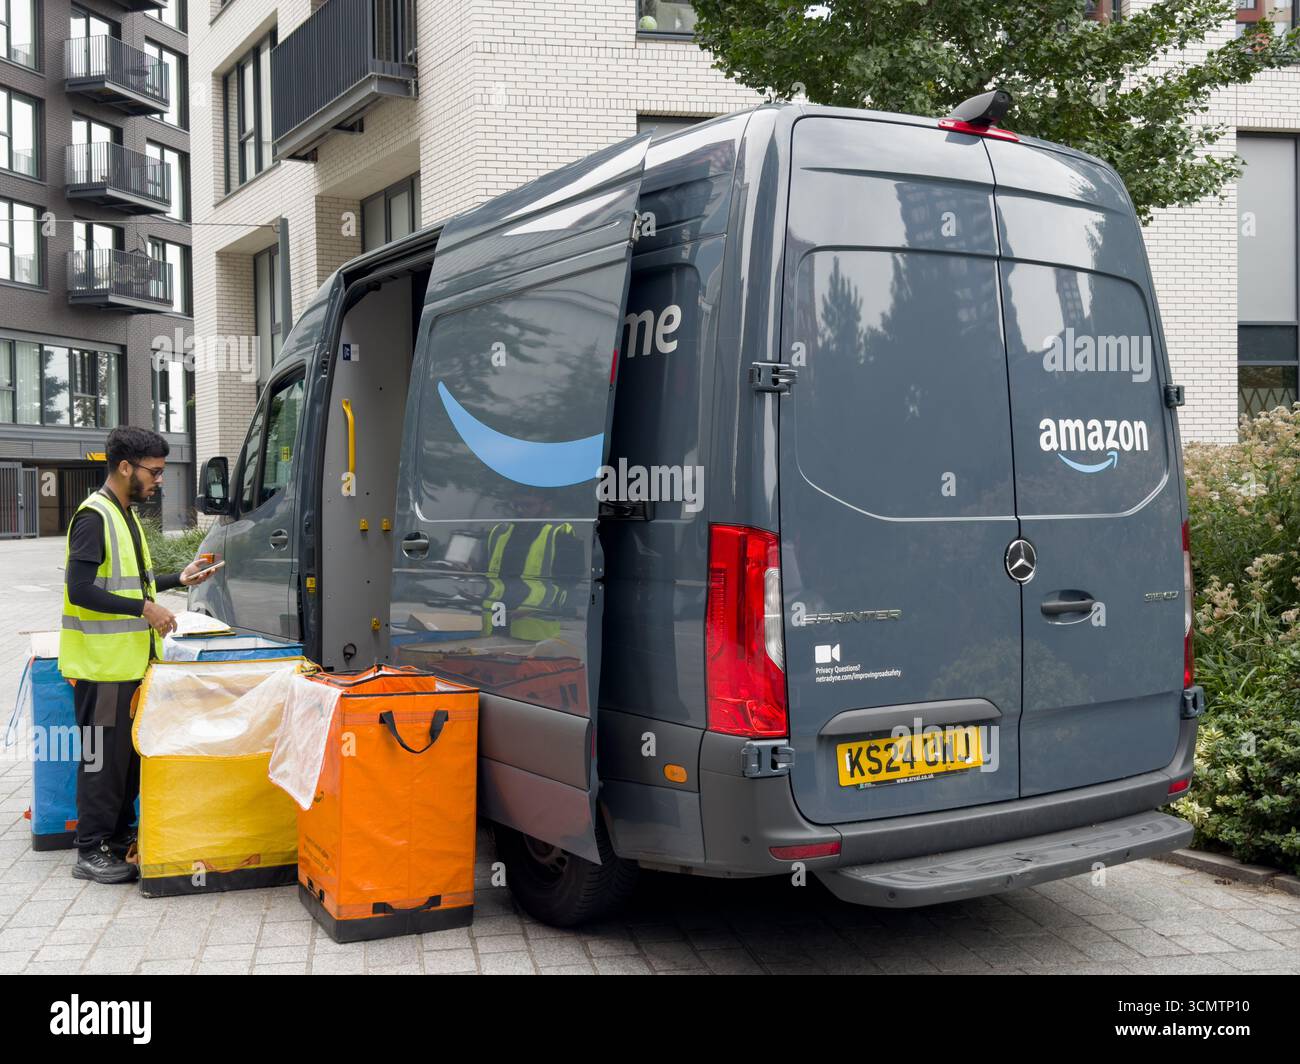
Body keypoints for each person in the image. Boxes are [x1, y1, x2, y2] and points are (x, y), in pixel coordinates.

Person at [58, 426, 216, 884]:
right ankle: (89, 850)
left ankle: (117, 836)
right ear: (124, 467)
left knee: (124, 761)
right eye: (155, 471)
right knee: (101, 762)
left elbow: (131, 583)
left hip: (128, 665)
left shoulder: (123, 515)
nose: (159, 480)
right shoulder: (94, 517)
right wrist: (145, 608)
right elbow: (81, 589)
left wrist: (175, 581)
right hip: (102, 669)